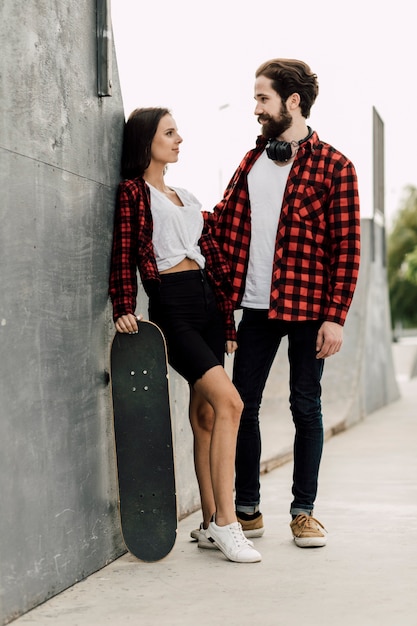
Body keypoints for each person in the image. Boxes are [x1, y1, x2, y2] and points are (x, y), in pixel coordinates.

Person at [200, 59, 361, 547]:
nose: (255, 108)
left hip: (310, 308)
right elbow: (222, 224)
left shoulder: (335, 166)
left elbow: (347, 246)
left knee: (305, 407)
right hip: (255, 307)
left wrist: (335, 317)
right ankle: (247, 508)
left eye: (262, 98)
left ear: (292, 101)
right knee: (241, 405)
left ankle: (303, 511)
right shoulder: (250, 164)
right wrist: (166, 203)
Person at [108, 107, 261, 563]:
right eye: (169, 132)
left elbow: (215, 261)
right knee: (231, 403)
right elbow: (123, 249)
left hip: (208, 304)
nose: (179, 139)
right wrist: (123, 306)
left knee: (208, 416)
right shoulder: (135, 193)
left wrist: (227, 321)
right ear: (146, 141)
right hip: (172, 308)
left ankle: (210, 522)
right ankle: (230, 524)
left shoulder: (185, 195)